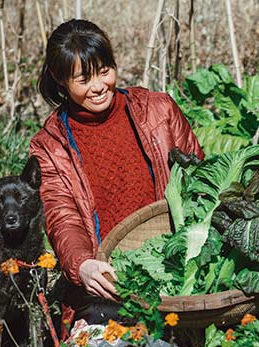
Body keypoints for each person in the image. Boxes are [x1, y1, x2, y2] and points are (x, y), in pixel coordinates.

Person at [29, 19, 204, 329]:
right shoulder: (51, 146)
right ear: (60, 80)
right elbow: (62, 217)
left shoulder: (158, 111)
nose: (98, 87)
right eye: (83, 80)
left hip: (178, 264)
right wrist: (82, 264)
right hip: (112, 282)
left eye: (104, 72)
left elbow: (202, 181)